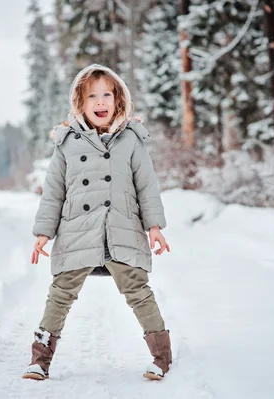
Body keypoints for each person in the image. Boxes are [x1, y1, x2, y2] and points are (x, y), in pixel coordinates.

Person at [23, 64, 172, 382]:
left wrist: (154, 228)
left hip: (122, 230)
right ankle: (39, 360)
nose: (100, 102)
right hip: (77, 232)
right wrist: (43, 233)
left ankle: (162, 356)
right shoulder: (66, 143)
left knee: (138, 291)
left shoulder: (131, 140)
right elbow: (54, 193)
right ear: (80, 102)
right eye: (93, 96)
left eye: (107, 95)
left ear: (119, 100)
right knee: (60, 294)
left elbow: (147, 187)